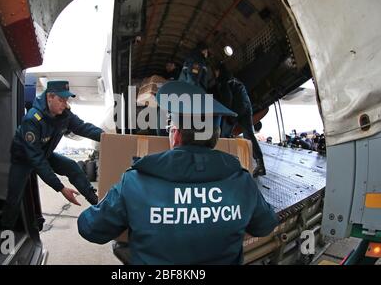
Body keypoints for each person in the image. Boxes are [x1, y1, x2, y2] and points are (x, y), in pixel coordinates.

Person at [77, 81, 278, 265]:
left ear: (176, 134)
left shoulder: (135, 181)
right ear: (215, 138)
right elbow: (265, 225)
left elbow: (90, 228)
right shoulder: (242, 183)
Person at [1, 80, 103, 231]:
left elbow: (83, 128)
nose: (64, 104)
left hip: (44, 153)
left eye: (66, 100)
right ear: (50, 97)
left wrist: (107, 137)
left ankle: (97, 202)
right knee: (14, 197)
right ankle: (7, 231)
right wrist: (61, 188)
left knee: (72, 166)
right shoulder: (32, 119)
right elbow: (37, 161)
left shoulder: (64, 115)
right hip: (23, 159)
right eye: (61, 100)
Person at [221, 77, 266, 177]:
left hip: (237, 107)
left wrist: (230, 118)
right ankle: (260, 164)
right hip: (246, 106)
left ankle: (224, 164)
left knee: (224, 135)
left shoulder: (223, 82)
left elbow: (227, 99)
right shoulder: (236, 81)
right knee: (249, 136)